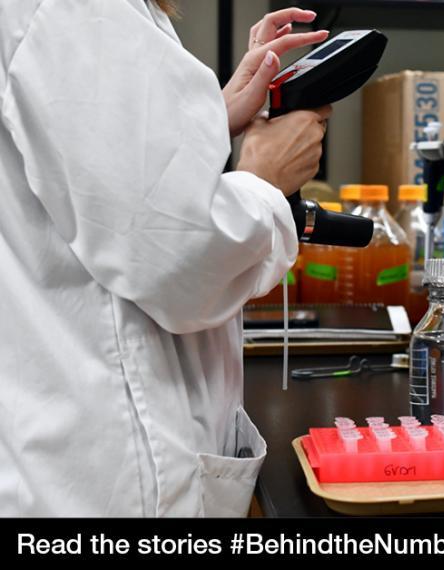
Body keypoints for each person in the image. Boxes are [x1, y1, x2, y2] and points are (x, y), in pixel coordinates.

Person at [0, 1, 331, 515]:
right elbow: (180, 257)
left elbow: (100, 175)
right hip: (109, 478)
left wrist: (208, 121)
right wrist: (266, 180)